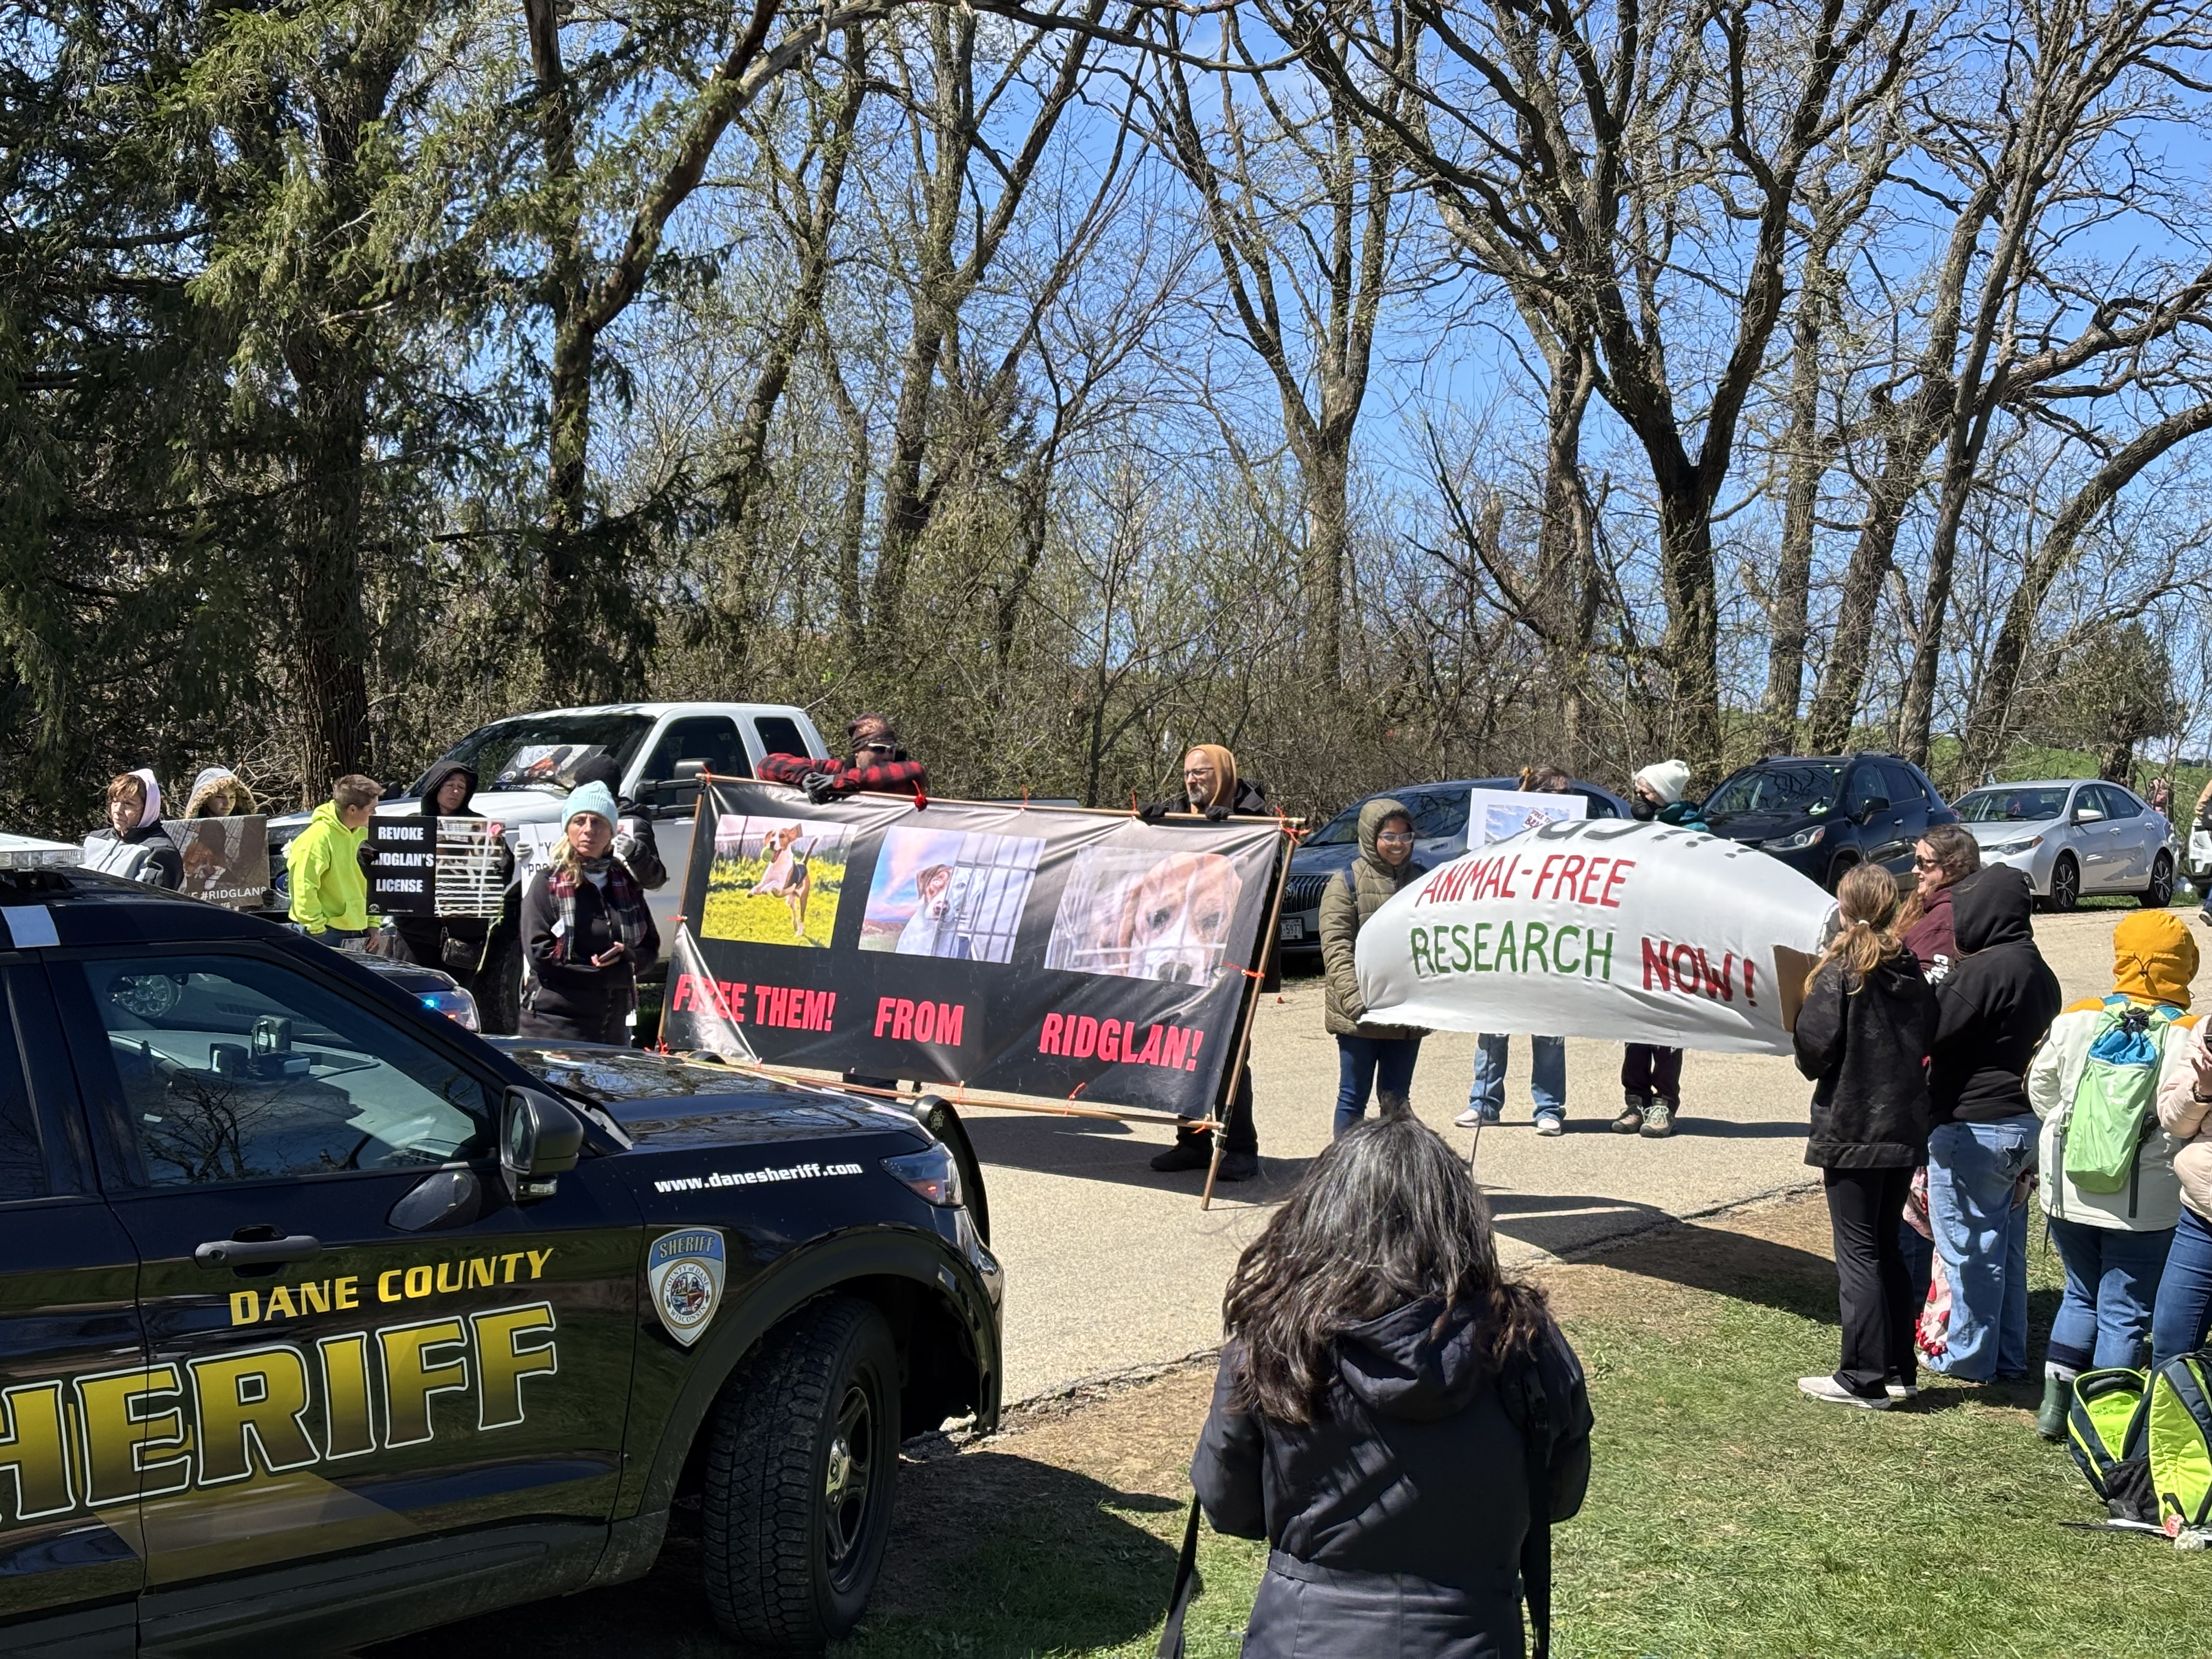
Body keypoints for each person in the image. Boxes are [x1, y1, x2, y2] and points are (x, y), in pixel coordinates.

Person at [1190, 1113, 1592, 1658]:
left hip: (1305, 1635)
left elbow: (1228, 1505)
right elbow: (1560, 1496)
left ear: (1322, 1214)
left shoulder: (1276, 1339)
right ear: (1462, 1220)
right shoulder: (1525, 1340)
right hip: (1473, 1633)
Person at [2027, 911, 2197, 1435]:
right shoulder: (2187, 1034)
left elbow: (2039, 1093)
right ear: (2185, 965)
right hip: (2146, 1199)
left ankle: (2054, 1412)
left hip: (2069, 1185)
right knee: (2125, 1310)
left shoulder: (2079, 1017)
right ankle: (2102, 1426)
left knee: (2080, 1292)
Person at [1790, 865, 1939, 1409]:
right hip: (1899, 1125)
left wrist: (1802, 1007)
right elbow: (1929, 1030)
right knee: (1887, 1250)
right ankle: (1900, 1369)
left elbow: (1814, 1050)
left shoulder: (1843, 970)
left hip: (1854, 1125)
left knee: (1858, 1253)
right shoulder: (1908, 967)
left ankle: (1862, 1376)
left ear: (1847, 907)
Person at [1922, 866, 2063, 1383]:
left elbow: (1929, 1033)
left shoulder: (1983, 972)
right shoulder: (2038, 970)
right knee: (2003, 1249)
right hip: (2022, 1126)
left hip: (1974, 1128)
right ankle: (2006, 1354)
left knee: (1968, 1251)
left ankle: (1967, 1357)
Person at [1142, 743, 1277, 1182]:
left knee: (1230, 1053)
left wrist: (1238, 833)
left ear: (1222, 773)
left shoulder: (1258, 817)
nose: (1192, 781)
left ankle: (1240, 1148)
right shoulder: (1183, 814)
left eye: (1201, 772)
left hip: (1234, 962)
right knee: (1184, 1050)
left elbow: (1271, 877)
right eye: (1187, 773)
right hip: (1184, 965)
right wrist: (1151, 829)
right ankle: (1194, 1141)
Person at [1459, 764, 1574, 1137]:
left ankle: (1549, 1107)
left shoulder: (1576, 838)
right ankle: (1484, 1104)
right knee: (1493, 1027)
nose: (1563, 802)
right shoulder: (1501, 830)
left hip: (1550, 943)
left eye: (1566, 797)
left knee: (1549, 1033)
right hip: (1502, 939)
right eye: (1556, 796)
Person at [518, 782, 661, 1045]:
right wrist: (608, 975)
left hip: (613, 1028)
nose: (588, 830)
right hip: (556, 1027)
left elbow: (650, 948)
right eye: (579, 821)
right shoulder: (547, 882)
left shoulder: (626, 884)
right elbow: (540, 954)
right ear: (568, 829)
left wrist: (627, 957)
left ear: (611, 831)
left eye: (598, 822)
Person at [1320, 799, 1426, 1137]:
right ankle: (1343, 1173)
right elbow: (1336, 948)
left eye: (1405, 837)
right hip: (1360, 1018)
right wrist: (1356, 1002)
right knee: (1352, 1098)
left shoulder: (1424, 882)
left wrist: (1431, 1000)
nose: (1398, 845)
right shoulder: (1345, 883)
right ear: (1370, 836)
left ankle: (1393, 1174)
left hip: (1406, 1015)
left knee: (1397, 1102)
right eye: (1389, 836)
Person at [1617, 760, 1704, 1136]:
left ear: (1665, 796)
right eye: (1637, 790)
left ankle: (1664, 1104)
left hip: (1675, 940)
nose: (1639, 798)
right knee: (1636, 1022)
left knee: (1667, 1025)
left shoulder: (1694, 832)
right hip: (1638, 936)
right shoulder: (1635, 830)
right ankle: (1635, 1101)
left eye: (1647, 792)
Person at [390, 761, 507, 992]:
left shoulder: (481, 827)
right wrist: (369, 857)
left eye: (461, 787)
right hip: (416, 936)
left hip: (463, 938)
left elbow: (500, 875)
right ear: (436, 787)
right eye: (449, 785)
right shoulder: (411, 825)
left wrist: (503, 854)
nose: (455, 791)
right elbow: (387, 874)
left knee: (455, 1003)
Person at [284, 774, 380, 943]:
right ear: (352, 809)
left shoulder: (365, 835)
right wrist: (317, 927)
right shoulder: (315, 838)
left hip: (360, 931)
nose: (375, 814)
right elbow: (303, 886)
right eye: (371, 809)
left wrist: (373, 923)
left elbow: (373, 882)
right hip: (325, 933)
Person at [759, 714, 928, 803]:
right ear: (857, 753)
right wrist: (805, 776)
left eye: (892, 749)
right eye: (879, 749)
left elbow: (916, 772)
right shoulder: (838, 770)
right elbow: (767, 764)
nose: (888, 755)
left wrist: (839, 782)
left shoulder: (901, 776)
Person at [567, 754, 668, 889]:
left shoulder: (633, 824)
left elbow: (655, 881)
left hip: (623, 905)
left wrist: (635, 853)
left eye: (581, 787)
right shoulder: (574, 820)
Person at [1898, 823, 1980, 986]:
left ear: (1951, 866)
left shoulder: (1947, 918)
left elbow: (1925, 985)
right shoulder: (1931, 905)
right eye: (1915, 861)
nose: (1915, 870)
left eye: (1921, 863)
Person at [81, 769, 183, 889]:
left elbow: (144, 902)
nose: (117, 810)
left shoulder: (160, 852)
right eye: (115, 801)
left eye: (128, 804)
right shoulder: (95, 839)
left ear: (148, 808)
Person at [183, 766, 256, 820]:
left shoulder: (248, 830)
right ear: (205, 799)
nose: (227, 803)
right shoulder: (188, 834)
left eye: (232, 797)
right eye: (220, 797)